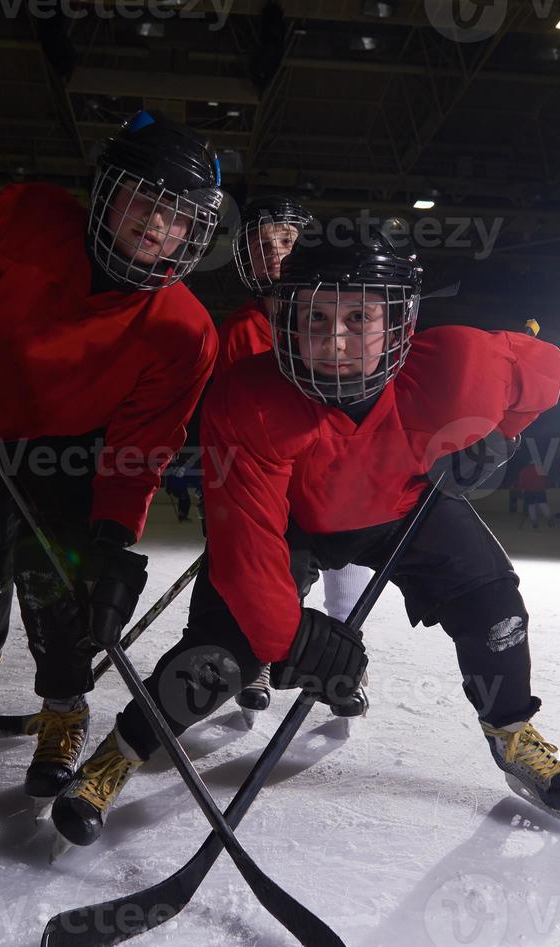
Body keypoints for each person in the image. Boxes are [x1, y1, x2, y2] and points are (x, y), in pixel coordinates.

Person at [50, 231, 560, 848]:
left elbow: (543, 369)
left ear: (398, 323)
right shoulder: (249, 400)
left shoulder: (460, 369)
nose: (335, 341)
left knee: (494, 608)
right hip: (293, 522)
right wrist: (292, 639)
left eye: (360, 316)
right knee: (218, 659)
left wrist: (501, 438)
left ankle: (511, 731)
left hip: (405, 508)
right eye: (316, 316)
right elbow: (246, 544)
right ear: (287, 319)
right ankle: (120, 753)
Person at [0, 110, 223, 812]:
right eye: (143, 201)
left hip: (72, 451)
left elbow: (144, 439)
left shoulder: (184, 331)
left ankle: (64, 710)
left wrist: (111, 535)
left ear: (194, 233)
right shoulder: (27, 220)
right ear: (107, 194)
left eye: (176, 217)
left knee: (58, 585)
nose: (155, 226)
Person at [222, 197, 373, 721]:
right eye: (261, 246)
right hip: (276, 481)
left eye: (284, 241)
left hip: (338, 477)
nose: (272, 255)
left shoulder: (342, 310)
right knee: (277, 575)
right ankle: (266, 656)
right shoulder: (244, 327)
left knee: (348, 578)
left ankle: (345, 665)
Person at [517, 461, 553, 528]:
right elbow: (544, 479)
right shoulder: (540, 469)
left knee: (531, 506)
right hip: (540, 489)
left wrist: (521, 489)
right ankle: (550, 519)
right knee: (543, 504)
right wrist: (544, 486)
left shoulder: (524, 469)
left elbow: (521, 480)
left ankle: (534, 522)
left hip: (529, 490)